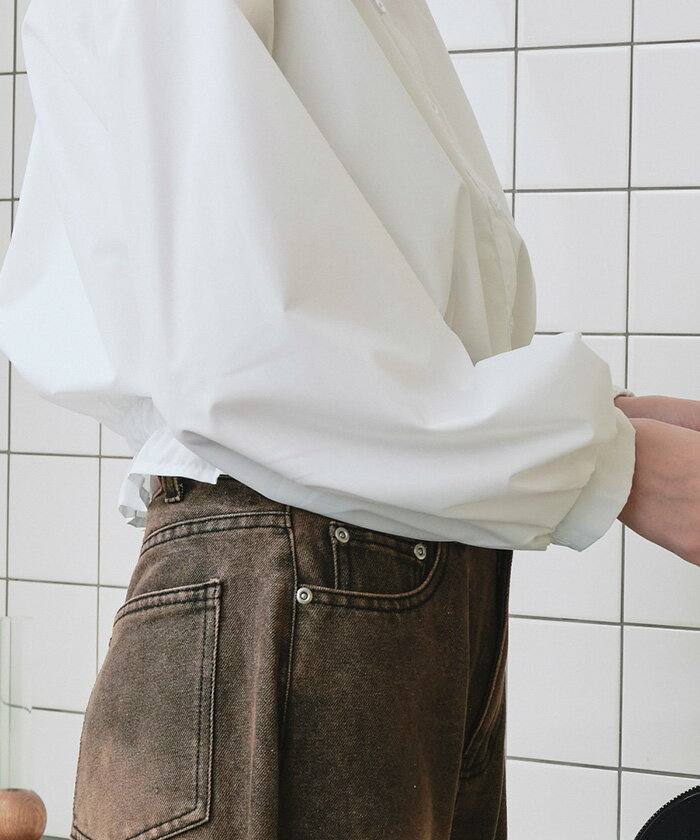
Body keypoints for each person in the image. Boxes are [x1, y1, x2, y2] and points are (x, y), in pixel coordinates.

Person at [0, 0, 698, 838]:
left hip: (387, 563)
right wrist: (612, 459)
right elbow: (238, 346)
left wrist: (586, 426)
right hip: (302, 562)